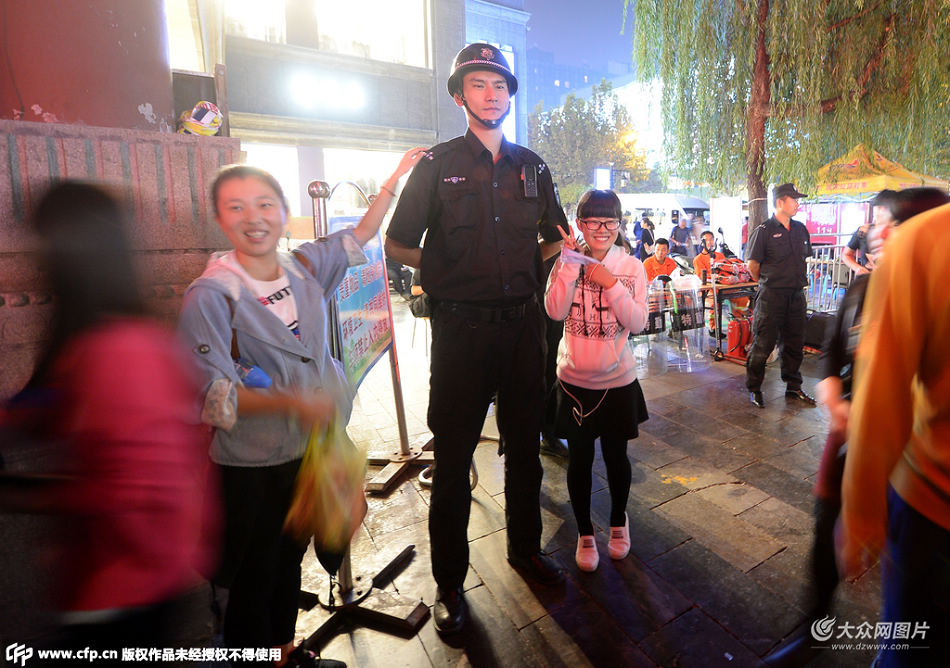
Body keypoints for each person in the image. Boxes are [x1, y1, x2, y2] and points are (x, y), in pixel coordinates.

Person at [177, 148, 423, 666]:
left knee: (289, 559)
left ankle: (285, 653)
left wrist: (394, 180)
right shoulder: (212, 294)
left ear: (283, 211)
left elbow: (360, 236)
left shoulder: (303, 267)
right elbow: (209, 396)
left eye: (264, 204)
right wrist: (292, 401)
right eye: (237, 207)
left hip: (308, 448)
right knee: (254, 574)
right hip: (252, 462)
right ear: (220, 218)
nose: (253, 217)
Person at [383, 42, 568, 634]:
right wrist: (449, 268)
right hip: (460, 331)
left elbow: (556, 236)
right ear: (461, 95)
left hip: (523, 328)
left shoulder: (533, 166)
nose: (492, 94)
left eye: (500, 85)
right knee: (454, 456)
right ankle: (449, 584)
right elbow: (397, 242)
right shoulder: (436, 165)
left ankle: (525, 551)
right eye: (479, 84)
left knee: (525, 449)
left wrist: (528, 264)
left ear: (510, 95)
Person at [0, 182, 212, 661]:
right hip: (115, 584)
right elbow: (43, 409)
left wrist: (26, 494)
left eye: (45, 246)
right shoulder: (91, 341)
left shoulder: (120, 350)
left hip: (124, 593)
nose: (37, 263)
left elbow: (129, 490)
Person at [838, 189, 950, 668]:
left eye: (887, 220)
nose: (877, 232)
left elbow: (882, 394)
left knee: (908, 651)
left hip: (931, 503)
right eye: (875, 221)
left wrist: (861, 512)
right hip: (931, 499)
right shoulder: (902, 256)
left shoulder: (925, 242)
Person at [544, 190, 648, 572]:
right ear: (580, 223)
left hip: (617, 381)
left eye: (610, 221)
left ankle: (619, 521)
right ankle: (585, 532)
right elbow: (554, 311)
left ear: (619, 224)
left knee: (617, 457)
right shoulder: (567, 261)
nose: (601, 229)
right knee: (580, 460)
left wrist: (610, 283)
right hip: (574, 381)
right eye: (592, 221)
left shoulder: (631, 266)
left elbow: (638, 322)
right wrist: (569, 265)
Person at [745, 183, 815, 409]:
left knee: (794, 343)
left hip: (796, 296)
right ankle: (754, 388)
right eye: (794, 200)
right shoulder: (764, 230)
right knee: (763, 344)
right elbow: (753, 266)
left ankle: (793, 386)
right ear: (780, 202)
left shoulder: (800, 229)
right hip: (771, 296)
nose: (798, 204)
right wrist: (769, 282)